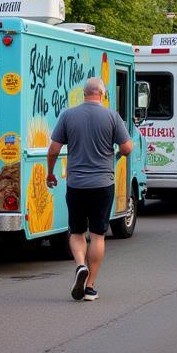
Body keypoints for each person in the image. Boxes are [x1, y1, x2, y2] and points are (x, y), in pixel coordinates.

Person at [46, 77, 133, 301]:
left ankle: (80, 266)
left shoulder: (68, 115)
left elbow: (54, 149)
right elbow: (127, 148)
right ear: (102, 94)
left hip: (76, 184)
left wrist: (50, 172)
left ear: (84, 94)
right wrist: (115, 155)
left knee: (76, 232)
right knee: (97, 235)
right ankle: (90, 286)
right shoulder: (112, 116)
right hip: (103, 184)